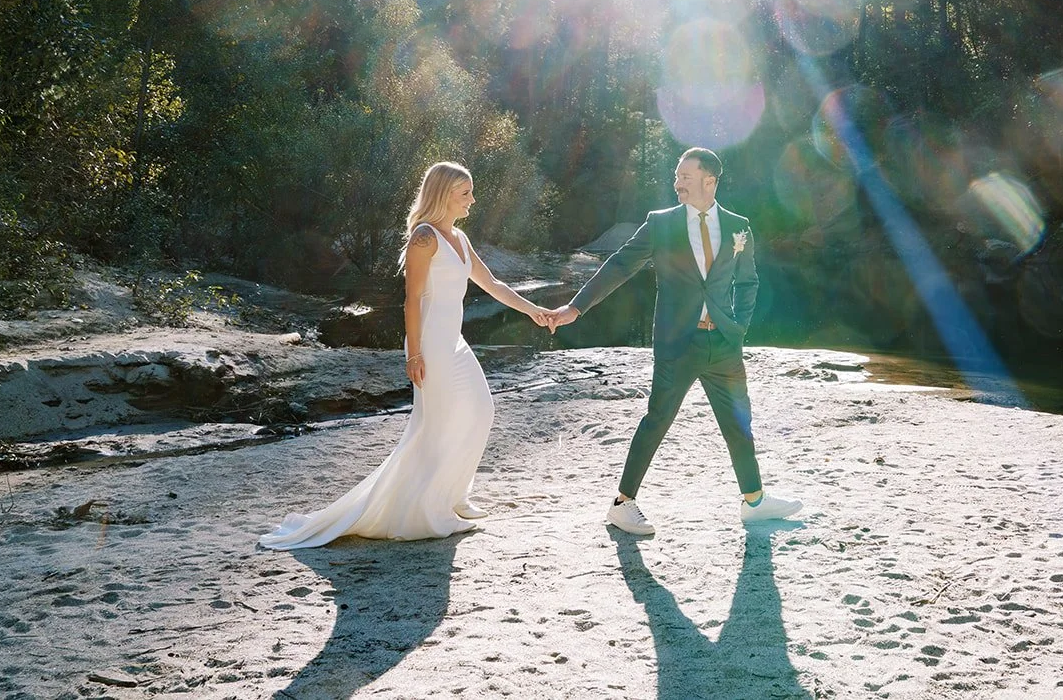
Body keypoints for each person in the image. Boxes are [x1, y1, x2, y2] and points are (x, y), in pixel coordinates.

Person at [259, 162, 554, 549]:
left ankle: (454, 494)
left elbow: (492, 283)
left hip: (455, 343)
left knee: (481, 409)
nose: (472, 199)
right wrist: (413, 354)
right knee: (434, 425)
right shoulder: (424, 238)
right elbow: (411, 300)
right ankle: (433, 507)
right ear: (443, 194)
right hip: (430, 344)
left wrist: (533, 310)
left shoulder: (459, 239)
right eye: (465, 192)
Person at [548, 147, 802, 535]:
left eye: (685, 176)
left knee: (739, 423)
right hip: (677, 343)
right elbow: (620, 264)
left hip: (724, 344)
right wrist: (576, 308)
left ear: (709, 180)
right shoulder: (661, 223)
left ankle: (754, 500)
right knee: (658, 419)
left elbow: (748, 281)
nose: (677, 182)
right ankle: (622, 503)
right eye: (676, 176)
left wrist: (737, 328)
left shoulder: (738, 226)